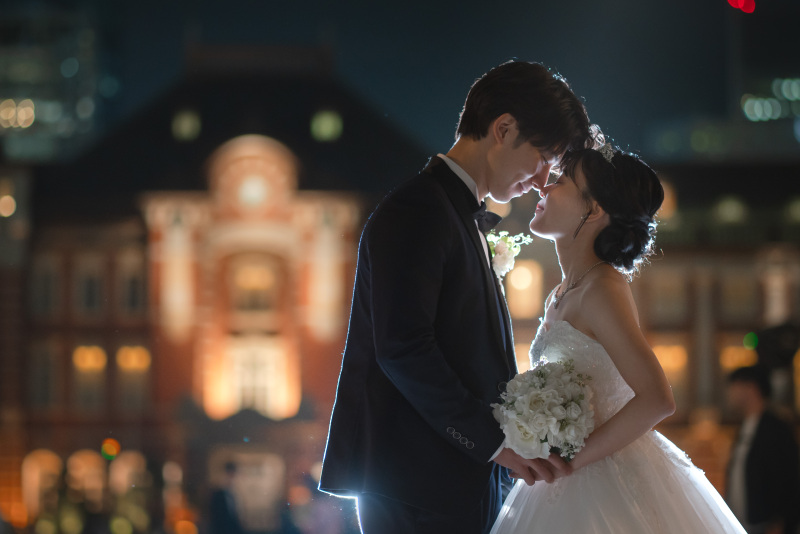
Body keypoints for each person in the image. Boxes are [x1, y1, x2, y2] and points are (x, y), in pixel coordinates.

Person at [318, 60, 594, 534]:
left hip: (450, 478)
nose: (543, 178)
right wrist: (495, 443)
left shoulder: (453, 212)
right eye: (543, 156)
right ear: (503, 128)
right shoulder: (417, 210)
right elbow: (403, 348)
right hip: (416, 483)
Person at [490, 143, 747, 533]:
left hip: (604, 478)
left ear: (592, 210)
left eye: (560, 182)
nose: (543, 188)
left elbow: (658, 398)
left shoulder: (602, 287)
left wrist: (571, 462)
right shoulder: (560, 293)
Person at [726, 365, 800, 534]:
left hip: (767, 526)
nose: (729, 393)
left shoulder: (776, 428)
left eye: (733, 386)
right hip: (745, 525)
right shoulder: (745, 426)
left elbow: (788, 479)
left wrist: (779, 521)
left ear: (750, 388)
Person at [209, 461, 244, 534]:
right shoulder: (217, 494)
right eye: (231, 475)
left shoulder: (231, 494)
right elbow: (216, 519)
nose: (233, 478)